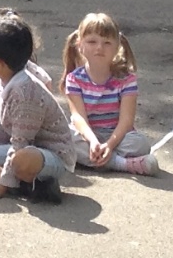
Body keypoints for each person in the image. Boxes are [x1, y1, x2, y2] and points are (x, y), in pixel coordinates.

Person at [0, 12, 80, 203]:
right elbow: (4, 129)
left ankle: (20, 183)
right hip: (22, 149)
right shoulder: (2, 82)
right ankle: (28, 186)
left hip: (51, 156)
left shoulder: (26, 93)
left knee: (22, 159)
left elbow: (20, 143)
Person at [62, 11, 158, 175]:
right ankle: (122, 164)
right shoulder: (74, 79)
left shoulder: (126, 79)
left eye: (107, 42)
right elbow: (78, 118)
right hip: (87, 135)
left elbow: (126, 120)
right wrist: (93, 141)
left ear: (117, 46)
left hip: (117, 136)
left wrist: (109, 145)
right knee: (65, 139)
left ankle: (98, 159)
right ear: (80, 44)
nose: (99, 48)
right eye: (92, 41)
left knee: (140, 144)